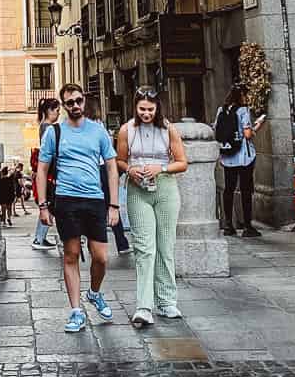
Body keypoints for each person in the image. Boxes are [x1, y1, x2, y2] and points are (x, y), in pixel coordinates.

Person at [36, 83, 120, 334]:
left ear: (85, 101)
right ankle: (75, 311)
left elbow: (112, 167)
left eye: (78, 100)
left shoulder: (98, 131)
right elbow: (41, 169)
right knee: (71, 254)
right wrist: (42, 206)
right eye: (69, 102)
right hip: (66, 199)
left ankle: (94, 293)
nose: (75, 106)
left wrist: (114, 205)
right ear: (63, 106)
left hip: (94, 199)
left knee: (101, 257)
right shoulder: (54, 132)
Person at [116, 87, 189, 327]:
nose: (146, 113)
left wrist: (162, 168)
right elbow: (120, 160)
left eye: (150, 109)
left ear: (157, 108)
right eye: (142, 109)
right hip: (137, 190)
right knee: (144, 248)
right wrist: (130, 170)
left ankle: (167, 301)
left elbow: (182, 163)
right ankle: (144, 306)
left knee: (165, 246)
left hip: (165, 187)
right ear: (135, 107)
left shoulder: (169, 129)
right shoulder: (127, 130)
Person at [216, 84, 267, 237]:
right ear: (242, 96)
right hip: (244, 156)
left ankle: (228, 225)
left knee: (228, 190)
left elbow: (216, 129)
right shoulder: (243, 110)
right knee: (245, 190)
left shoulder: (221, 110)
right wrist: (257, 125)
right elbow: (247, 134)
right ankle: (247, 226)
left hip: (228, 156)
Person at [30, 98, 61, 250]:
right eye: (56, 110)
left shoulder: (44, 126)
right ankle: (39, 238)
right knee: (50, 204)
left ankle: (40, 238)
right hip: (50, 173)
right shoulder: (48, 128)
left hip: (48, 172)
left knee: (50, 205)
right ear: (49, 111)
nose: (59, 113)